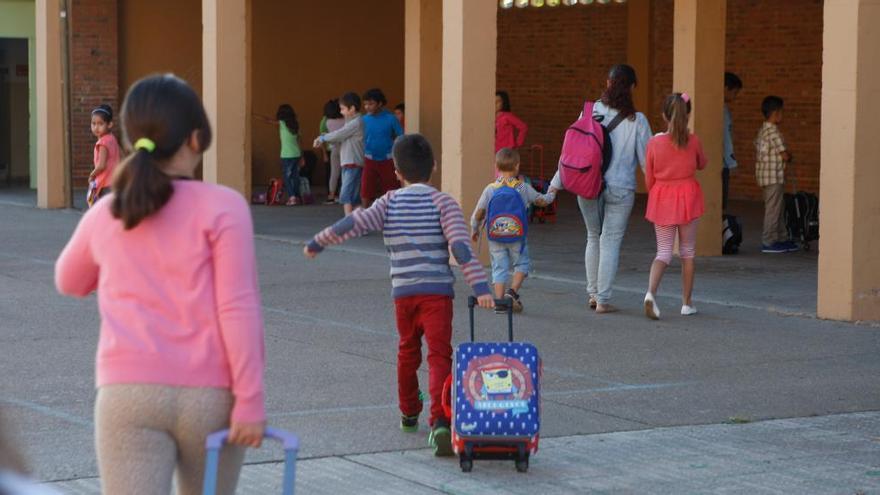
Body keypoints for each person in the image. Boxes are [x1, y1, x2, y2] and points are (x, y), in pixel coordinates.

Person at [55, 74, 266, 495]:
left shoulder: (109, 211)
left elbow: (70, 281)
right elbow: (237, 308)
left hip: (128, 394)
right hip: (211, 398)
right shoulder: (225, 207)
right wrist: (251, 399)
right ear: (197, 138)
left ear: (131, 141)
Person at [303, 134, 494, 456]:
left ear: (396, 171)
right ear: (433, 167)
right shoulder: (443, 202)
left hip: (403, 294)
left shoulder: (388, 201)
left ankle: (408, 413)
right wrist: (482, 289)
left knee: (407, 351)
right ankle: (441, 422)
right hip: (437, 295)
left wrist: (318, 241)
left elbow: (354, 222)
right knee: (439, 355)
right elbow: (460, 248)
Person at [550, 64, 653, 313]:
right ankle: (603, 300)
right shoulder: (637, 120)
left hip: (588, 185)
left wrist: (555, 184)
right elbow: (646, 161)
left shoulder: (590, 111)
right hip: (621, 187)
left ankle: (593, 295)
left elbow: (571, 151)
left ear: (608, 83)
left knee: (592, 237)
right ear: (631, 88)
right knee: (611, 241)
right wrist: (657, 191)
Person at [643, 93, 707, 320]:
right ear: (687, 114)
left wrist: (656, 192)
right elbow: (702, 163)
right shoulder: (694, 140)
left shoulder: (654, 143)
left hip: (662, 197)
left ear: (663, 115)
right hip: (688, 196)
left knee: (663, 252)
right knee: (687, 251)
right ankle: (686, 304)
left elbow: (648, 177)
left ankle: (651, 294)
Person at [470, 147, 555, 314]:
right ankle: (512, 292)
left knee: (499, 267)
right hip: (517, 235)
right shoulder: (522, 188)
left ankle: (500, 302)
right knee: (522, 264)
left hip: (495, 235)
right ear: (517, 166)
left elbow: (479, 212)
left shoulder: (490, 189)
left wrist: (475, 228)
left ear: (496, 166)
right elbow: (542, 201)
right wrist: (552, 192)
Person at [755, 96, 798, 254]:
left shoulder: (763, 129)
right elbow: (784, 154)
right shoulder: (773, 132)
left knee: (777, 208)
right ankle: (769, 240)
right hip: (774, 177)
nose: (782, 116)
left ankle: (781, 237)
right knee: (773, 209)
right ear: (775, 113)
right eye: (781, 112)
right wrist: (790, 155)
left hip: (765, 176)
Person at [314, 92, 365, 216]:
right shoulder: (353, 121)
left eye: (342, 109)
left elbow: (340, 133)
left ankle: (349, 223)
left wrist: (322, 138)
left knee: (346, 195)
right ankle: (359, 223)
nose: (341, 112)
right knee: (353, 196)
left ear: (352, 109)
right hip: (350, 162)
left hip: (352, 163)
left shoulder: (356, 122)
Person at [361, 88, 404, 206]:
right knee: (366, 190)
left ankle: (394, 215)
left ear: (380, 103)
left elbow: (401, 136)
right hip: (368, 158)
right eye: (365, 104)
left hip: (388, 159)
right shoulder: (363, 120)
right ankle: (366, 216)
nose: (367, 107)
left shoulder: (391, 118)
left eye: (371, 104)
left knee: (392, 190)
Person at [256, 104, 303, 206]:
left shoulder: (282, 123)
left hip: (286, 155)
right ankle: (297, 196)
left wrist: (256, 116)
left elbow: (268, 120)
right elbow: (299, 141)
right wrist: (302, 156)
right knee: (295, 177)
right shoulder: (296, 125)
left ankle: (292, 197)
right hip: (296, 154)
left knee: (286, 177)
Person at [86, 104, 121, 208]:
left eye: (100, 124)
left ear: (110, 124)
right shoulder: (112, 139)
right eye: (93, 124)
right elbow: (122, 155)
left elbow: (101, 165)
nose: (96, 127)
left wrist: (92, 175)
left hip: (105, 183)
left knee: (102, 210)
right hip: (115, 180)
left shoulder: (103, 143)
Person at [722, 72, 742, 213]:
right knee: (721, 201)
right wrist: (732, 162)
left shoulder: (725, 109)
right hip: (722, 164)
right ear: (725, 88)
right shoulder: (722, 111)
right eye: (734, 92)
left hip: (722, 163)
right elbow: (726, 138)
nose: (735, 96)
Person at [319, 99, 345, 204]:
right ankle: (344, 195)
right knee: (345, 173)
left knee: (334, 173)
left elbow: (322, 136)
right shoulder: (345, 120)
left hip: (333, 149)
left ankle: (331, 196)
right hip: (345, 148)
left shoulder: (327, 121)